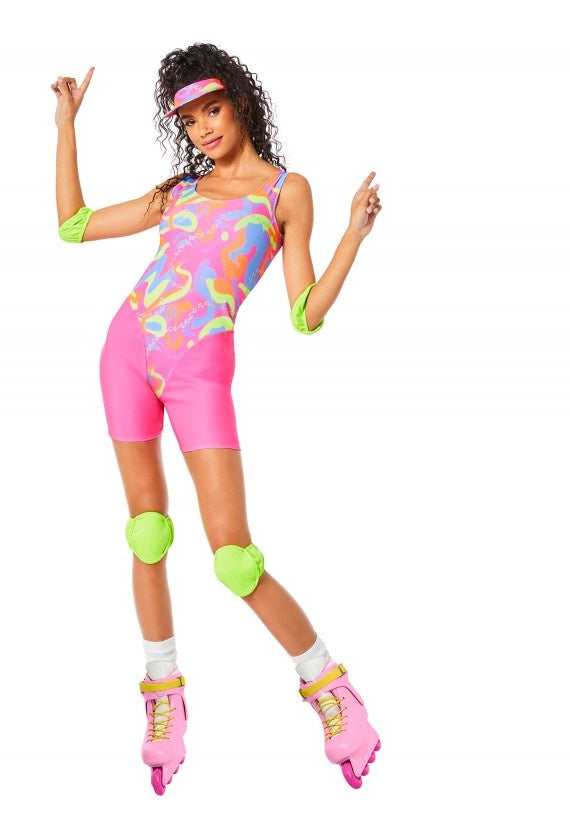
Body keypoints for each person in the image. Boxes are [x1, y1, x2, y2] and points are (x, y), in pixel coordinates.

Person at [51, 43, 383, 795]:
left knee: (234, 558)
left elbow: (305, 313)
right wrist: (67, 123)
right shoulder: (178, 192)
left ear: (239, 101)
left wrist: (353, 237)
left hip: (199, 369)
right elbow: (73, 225)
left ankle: (329, 686)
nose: (203, 127)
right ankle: (163, 695)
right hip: (126, 353)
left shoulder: (286, 192)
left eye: (213, 108)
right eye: (189, 118)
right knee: (147, 533)